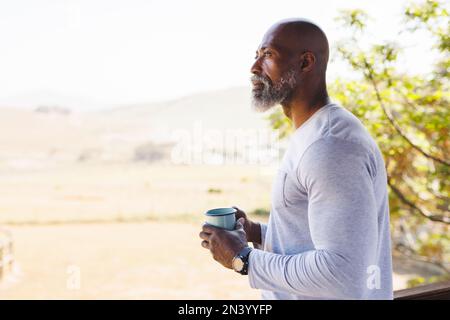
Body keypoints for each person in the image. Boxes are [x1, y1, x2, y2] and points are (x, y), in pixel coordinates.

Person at [199, 18, 393, 299]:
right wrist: (257, 233)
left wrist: (242, 259)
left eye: (268, 55)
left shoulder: (331, 146)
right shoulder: (315, 133)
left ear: (305, 63)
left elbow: (342, 274)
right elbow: (317, 240)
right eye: (256, 56)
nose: (254, 68)